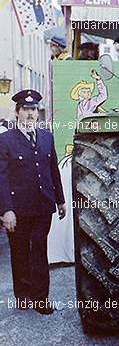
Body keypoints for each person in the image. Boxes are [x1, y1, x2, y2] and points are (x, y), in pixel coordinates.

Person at [0, 90, 66, 314]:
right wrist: (6, 210)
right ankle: (23, 294)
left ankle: (40, 298)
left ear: (38, 113)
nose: (30, 114)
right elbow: (2, 177)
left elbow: (52, 170)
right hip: (18, 209)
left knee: (39, 249)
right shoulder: (5, 140)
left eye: (34, 110)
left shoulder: (47, 137)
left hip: (43, 206)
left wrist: (61, 200)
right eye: (26, 110)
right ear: (17, 112)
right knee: (19, 251)